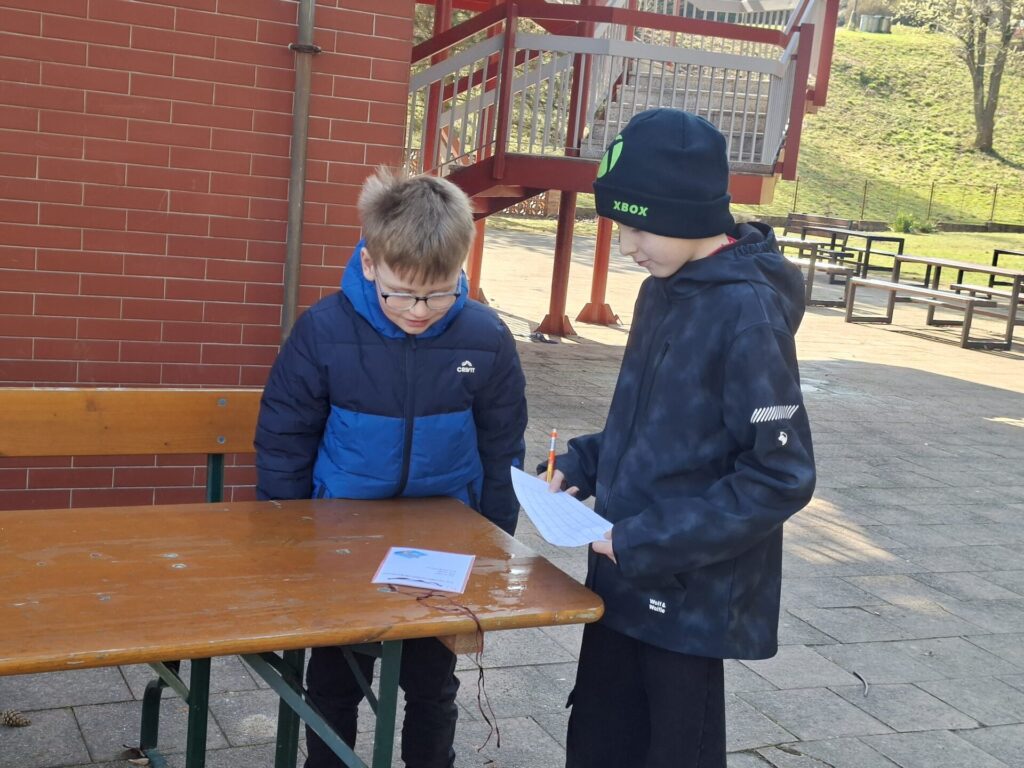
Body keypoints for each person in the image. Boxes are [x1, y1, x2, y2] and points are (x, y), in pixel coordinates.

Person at [545, 108, 816, 768]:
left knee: (671, 749)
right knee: (599, 740)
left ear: (690, 214)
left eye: (638, 226)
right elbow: (650, 421)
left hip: (686, 596)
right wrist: (585, 462)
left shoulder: (748, 315)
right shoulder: (659, 291)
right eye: (619, 227)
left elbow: (780, 475)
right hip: (620, 575)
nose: (626, 245)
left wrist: (646, 540)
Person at [255, 167, 528, 768]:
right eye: (402, 293)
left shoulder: (486, 337)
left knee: (433, 683)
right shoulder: (323, 331)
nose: (420, 310)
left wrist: (496, 539)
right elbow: (285, 439)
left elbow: (502, 445)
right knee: (335, 681)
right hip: (340, 538)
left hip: (443, 541)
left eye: (439, 293)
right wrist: (283, 534)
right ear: (370, 262)